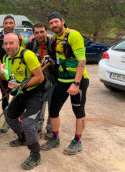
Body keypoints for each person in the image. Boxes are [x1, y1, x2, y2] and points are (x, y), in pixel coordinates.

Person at [41, 12, 89, 155]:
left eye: (56, 22)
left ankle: (77, 141)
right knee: (54, 111)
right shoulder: (56, 37)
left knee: (78, 112)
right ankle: (55, 138)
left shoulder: (73, 35)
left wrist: (76, 83)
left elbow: (82, 60)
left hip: (77, 81)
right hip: (62, 81)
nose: (54, 25)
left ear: (63, 21)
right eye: (51, 23)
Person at [0, 33, 44, 170]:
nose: (8, 46)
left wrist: (20, 85)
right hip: (20, 93)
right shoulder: (6, 57)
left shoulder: (28, 55)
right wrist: (1, 72)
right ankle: (23, 138)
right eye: (5, 44)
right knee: (10, 117)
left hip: (35, 94)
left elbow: (39, 77)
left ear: (18, 42)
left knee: (28, 124)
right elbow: (7, 77)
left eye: (11, 43)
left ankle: (36, 155)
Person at [0, 15, 26, 133]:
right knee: (5, 98)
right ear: (3, 25)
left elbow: (24, 55)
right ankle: (7, 121)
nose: (8, 25)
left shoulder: (20, 39)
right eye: (6, 23)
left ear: (14, 25)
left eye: (11, 23)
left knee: (20, 97)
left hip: (17, 74)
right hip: (3, 73)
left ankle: (22, 122)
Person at [26, 23, 57, 139]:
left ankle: (50, 129)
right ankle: (37, 128)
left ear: (46, 32)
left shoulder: (53, 43)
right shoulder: (31, 44)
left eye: (42, 32)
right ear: (33, 34)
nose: (39, 35)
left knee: (52, 105)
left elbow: (54, 60)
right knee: (37, 104)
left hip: (52, 78)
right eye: (36, 32)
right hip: (38, 80)